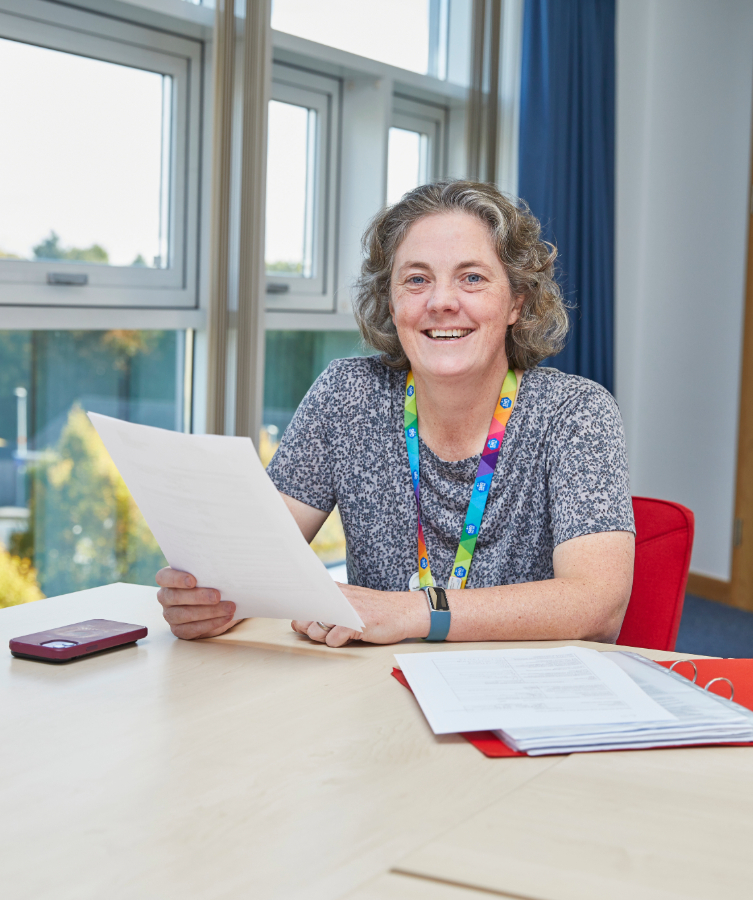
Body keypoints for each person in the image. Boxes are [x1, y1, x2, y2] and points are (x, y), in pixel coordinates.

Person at [157, 181, 635, 648]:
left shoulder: (576, 413)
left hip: (522, 697)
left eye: (472, 278)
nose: (442, 302)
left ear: (516, 301)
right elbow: (254, 563)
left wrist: (411, 611)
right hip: (376, 689)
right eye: (416, 279)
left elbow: (597, 606)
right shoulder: (346, 396)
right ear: (391, 301)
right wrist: (211, 600)